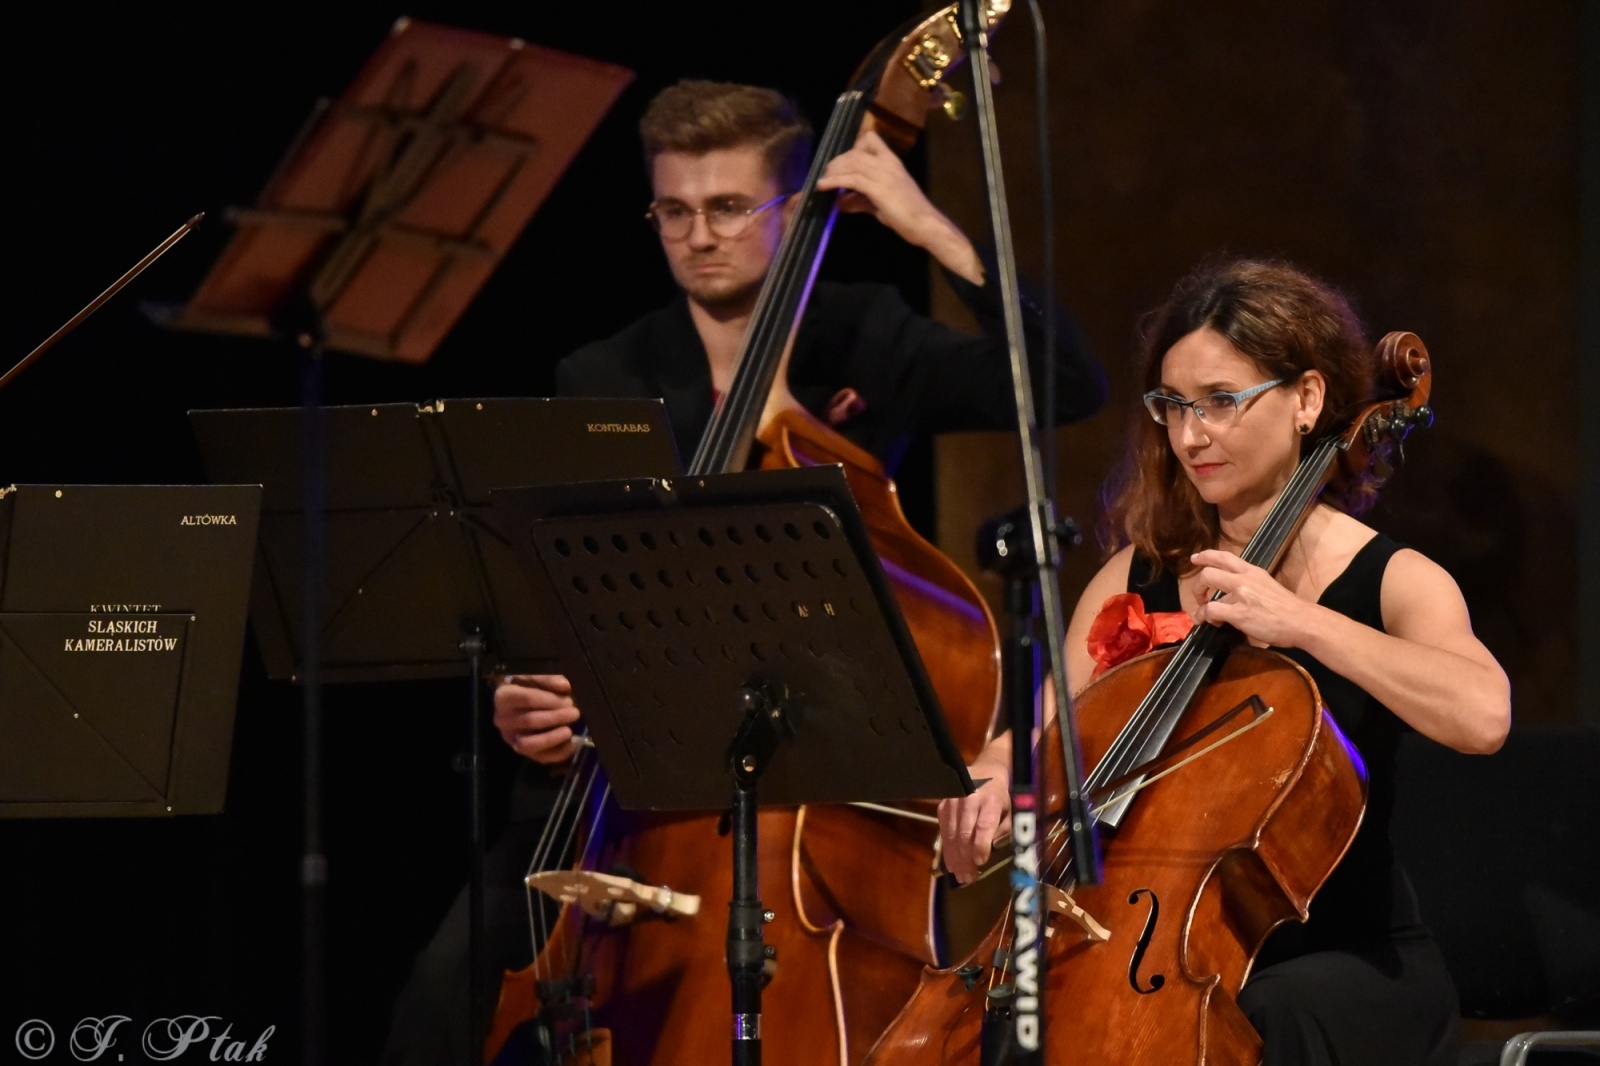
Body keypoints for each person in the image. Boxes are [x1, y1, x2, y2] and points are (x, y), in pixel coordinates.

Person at [381, 79, 1105, 1064]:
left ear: (792, 207)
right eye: (672, 210)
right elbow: (557, 585)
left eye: (727, 207)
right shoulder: (605, 375)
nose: (698, 235)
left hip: (813, 769)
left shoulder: (864, 333)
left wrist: (928, 227)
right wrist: (526, 692)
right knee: (443, 987)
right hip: (619, 783)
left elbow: (1063, 381)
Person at [938, 257, 1511, 1065]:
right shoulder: (1137, 570)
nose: (1190, 436)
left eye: (1220, 403)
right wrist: (998, 778)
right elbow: (1045, 731)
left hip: (1333, 963)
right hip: (1152, 942)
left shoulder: (1394, 579)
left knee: (1255, 1016)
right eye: (1173, 406)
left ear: (1307, 400)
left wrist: (1303, 623)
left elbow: (1484, 716)